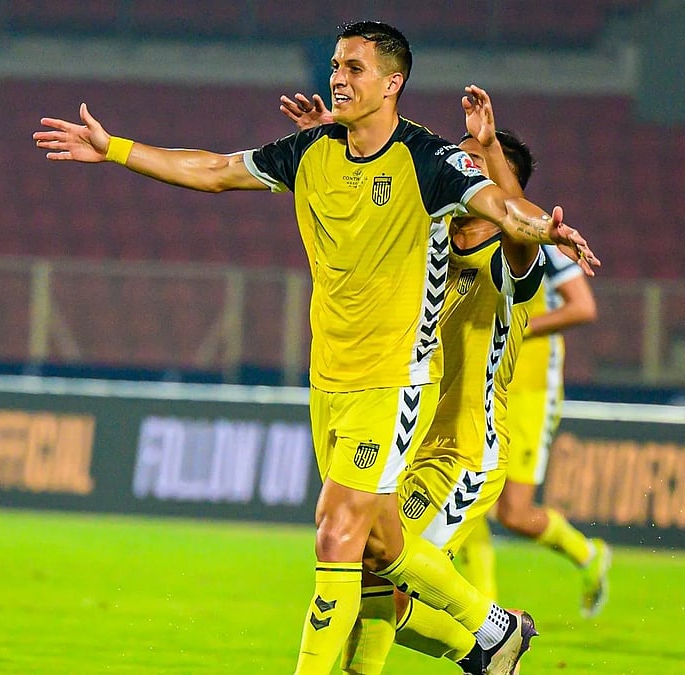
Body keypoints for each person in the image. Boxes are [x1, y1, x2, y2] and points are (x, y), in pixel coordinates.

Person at [35, 21, 598, 675]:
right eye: (336, 64)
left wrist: (545, 226)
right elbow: (217, 169)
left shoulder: (444, 183)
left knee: (338, 534)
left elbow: (509, 210)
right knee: (375, 557)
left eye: (355, 67)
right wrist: (116, 148)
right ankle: (490, 632)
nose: (339, 74)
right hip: (331, 382)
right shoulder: (322, 159)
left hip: (415, 406)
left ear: (393, 83)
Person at [284, 85, 553, 674]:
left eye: (473, 167)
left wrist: (489, 145)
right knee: (369, 563)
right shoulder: (429, 244)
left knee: (370, 560)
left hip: (465, 452)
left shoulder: (512, 261)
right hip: (410, 435)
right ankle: (485, 646)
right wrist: (341, 132)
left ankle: (486, 637)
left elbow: (523, 220)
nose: (459, 175)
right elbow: (386, 183)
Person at [456, 235, 608, 618]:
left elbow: (583, 307)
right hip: (481, 382)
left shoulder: (540, 238)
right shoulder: (473, 228)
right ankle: (486, 613)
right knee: (462, 491)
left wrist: (518, 326)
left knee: (514, 513)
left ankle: (586, 554)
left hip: (531, 390)